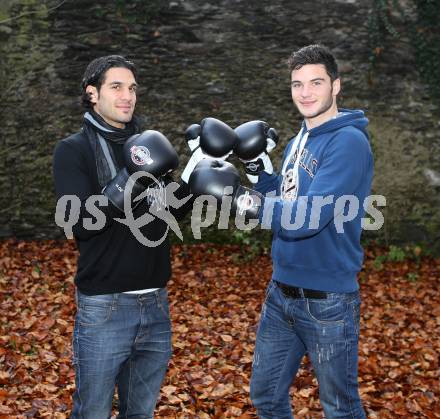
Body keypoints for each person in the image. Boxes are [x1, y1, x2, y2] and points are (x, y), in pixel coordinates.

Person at [189, 44, 372, 418]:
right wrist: (258, 171)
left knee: (340, 407)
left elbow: (308, 216)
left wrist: (238, 198)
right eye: (297, 84)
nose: (305, 93)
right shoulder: (299, 140)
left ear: (335, 86)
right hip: (281, 294)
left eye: (315, 83)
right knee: (266, 395)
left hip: (328, 301)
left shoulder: (348, 142)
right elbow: (284, 199)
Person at [53, 55, 194, 418]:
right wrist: (127, 180)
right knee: (93, 413)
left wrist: (199, 179)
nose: (127, 96)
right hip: (105, 306)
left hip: (155, 303)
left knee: (140, 413)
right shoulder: (73, 150)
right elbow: (80, 222)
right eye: (116, 87)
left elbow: (170, 212)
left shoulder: (148, 146)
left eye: (132, 88)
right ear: (92, 94)